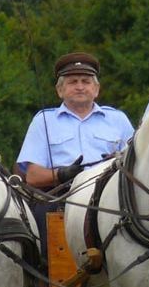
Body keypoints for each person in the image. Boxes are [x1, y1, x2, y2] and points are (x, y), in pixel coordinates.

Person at [16, 51, 135, 266]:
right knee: (41, 217)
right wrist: (62, 174)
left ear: (96, 89)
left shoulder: (118, 119)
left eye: (86, 81)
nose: (80, 86)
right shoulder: (43, 121)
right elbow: (32, 177)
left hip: (113, 198)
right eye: (72, 82)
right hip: (62, 198)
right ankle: (48, 278)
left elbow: (137, 165)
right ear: (60, 90)